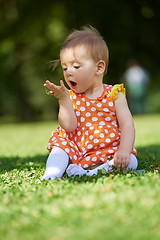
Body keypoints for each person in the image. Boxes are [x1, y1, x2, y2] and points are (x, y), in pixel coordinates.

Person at [41, 26, 138, 180]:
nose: (68, 72)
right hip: (76, 148)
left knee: (131, 161)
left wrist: (124, 151)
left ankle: (91, 173)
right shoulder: (70, 96)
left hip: (108, 149)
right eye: (65, 68)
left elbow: (127, 125)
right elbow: (69, 126)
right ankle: (51, 174)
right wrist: (63, 100)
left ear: (99, 68)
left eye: (76, 66)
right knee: (59, 148)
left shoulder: (114, 94)